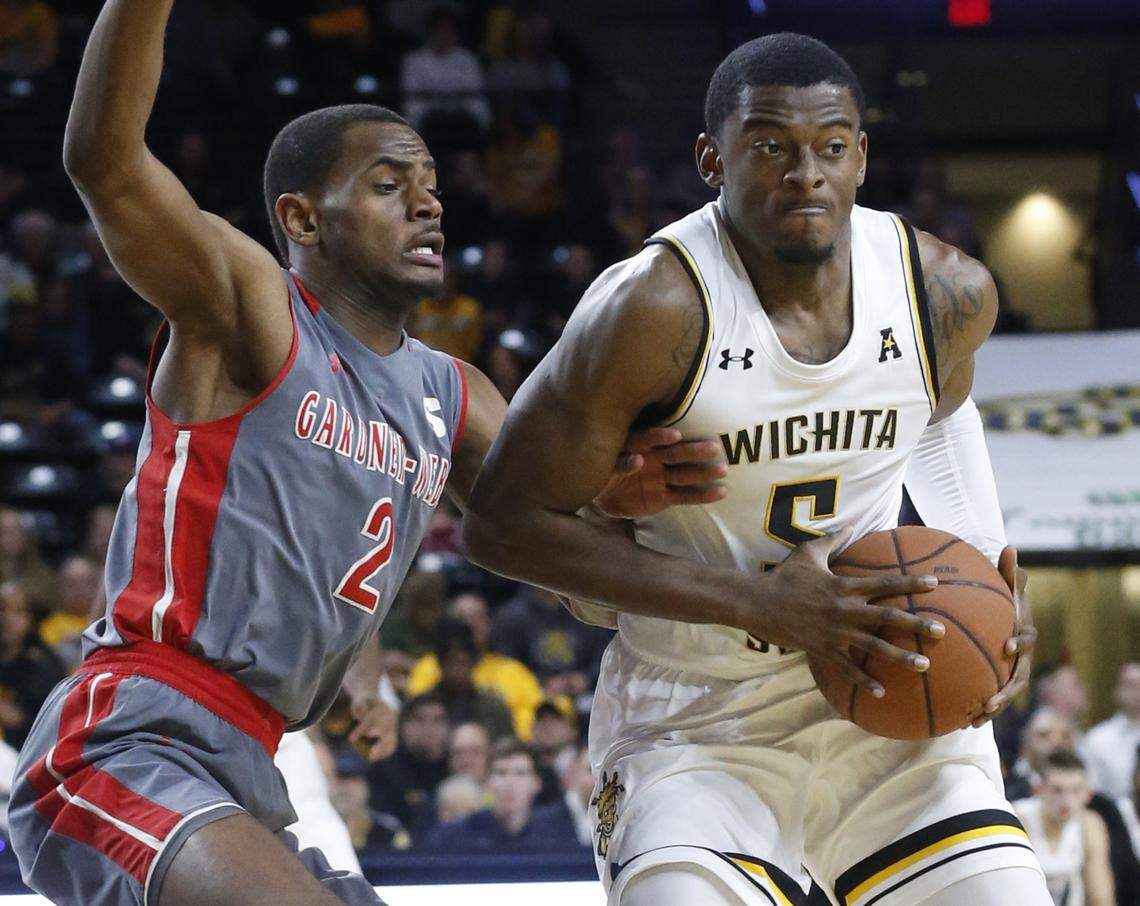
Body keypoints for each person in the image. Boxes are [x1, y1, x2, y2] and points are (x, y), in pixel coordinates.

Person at [7, 1, 726, 903]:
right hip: (126, 737)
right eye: (389, 184)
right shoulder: (255, 309)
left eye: (429, 183)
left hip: (250, 762)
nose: (428, 201)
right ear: (303, 220)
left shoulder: (454, 396)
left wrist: (618, 506)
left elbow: (569, 576)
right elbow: (104, 163)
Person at [463, 32, 1052, 906]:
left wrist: (987, 581)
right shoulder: (651, 309)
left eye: (831, 147)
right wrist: (763, 605)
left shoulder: (944, 291)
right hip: (696, 715)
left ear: (862, 157)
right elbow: (499, 525)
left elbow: (941, 416)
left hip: (883, 681)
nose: (805, 172)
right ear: (712, 157)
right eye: (770, 144)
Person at [407, 592, 543, 738]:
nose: (470, 625)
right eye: (463, 618)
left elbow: (535, 716)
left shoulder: (513, 671)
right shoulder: (427, 667)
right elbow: (416, 716)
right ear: (441, 664)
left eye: (476, 617)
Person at [424, 739, 579, 852]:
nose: (509, 783)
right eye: (501, 773)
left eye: (520, 773)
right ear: (488, 781)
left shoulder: (558, 834)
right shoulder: (453, 836)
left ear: (536, 784)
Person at [1013, 751, 1116, 906]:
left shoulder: (1089, 825)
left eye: (1076, 790)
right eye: (1057, 790)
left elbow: (1101, 896)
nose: (1067, 802)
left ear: (1088, 794)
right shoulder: (1018, 819)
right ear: (1038, 789)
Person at [1081, 663, 1140, 802]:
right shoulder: (1097, 739)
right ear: (1117, 691)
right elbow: (1091, 791)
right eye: (1131, 685)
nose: (1138, 691)